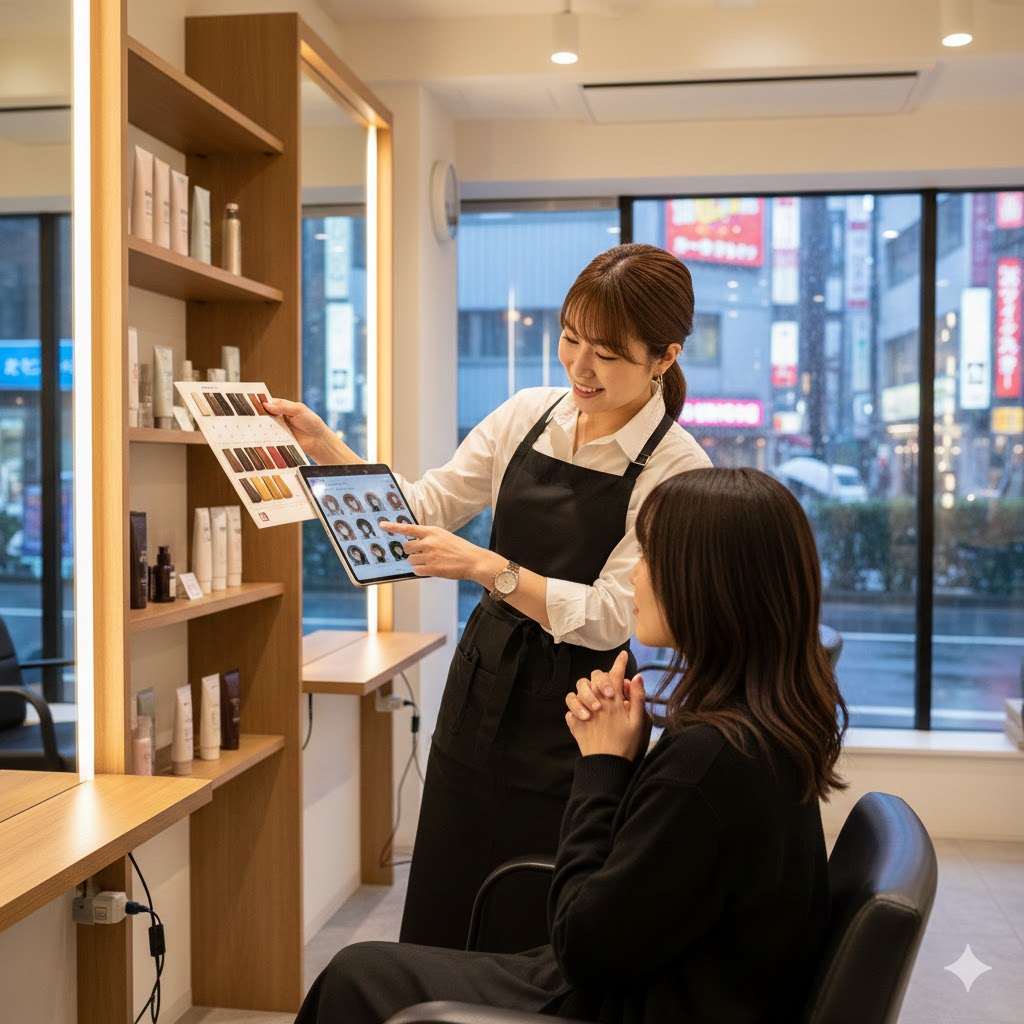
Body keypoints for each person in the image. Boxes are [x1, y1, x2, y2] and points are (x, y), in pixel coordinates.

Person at [265, 243, 711, 949]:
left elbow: (608, 616)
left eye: (607, 353)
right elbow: (423, 505)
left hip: (580, 708)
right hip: (482, 684)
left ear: (664, 357)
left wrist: (490, 569)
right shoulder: (528, 415)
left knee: (537, 908)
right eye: (569, 339)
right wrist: (325, 447)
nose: (579, 367)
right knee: (447, 885)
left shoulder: (677, 466)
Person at [295, 468, 849, 1024]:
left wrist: (602, 765)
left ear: (707, 583)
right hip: (668, 978)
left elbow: (582, 946)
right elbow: (660, 872)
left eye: (650, 557)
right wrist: (628, 760)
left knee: (354, 976)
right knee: (371, 968)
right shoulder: (767, 726)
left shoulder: (707, 762)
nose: (634, 576)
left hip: (619, 1001)